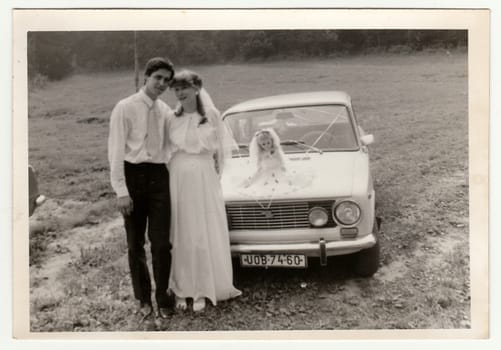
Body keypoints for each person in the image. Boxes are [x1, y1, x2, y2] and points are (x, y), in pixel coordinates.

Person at [166, 69, 241, 312]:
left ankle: (203, 288)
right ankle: (182, 288)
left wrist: (217, 177)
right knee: (181, 231)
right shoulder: (171, 118)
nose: (179, 93)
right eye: (176, 89)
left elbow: (221, 151)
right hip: (178, 176)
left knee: (202, 230)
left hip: (203, 175)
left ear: (197, 88)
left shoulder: (212, 115)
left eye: (183, 88)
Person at [108, 57, 175, 319]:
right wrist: (121, 190)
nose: (161, 84)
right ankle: (143, 299)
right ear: (146, 77)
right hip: (133, 176)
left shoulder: (165, 110)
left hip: (159, 177)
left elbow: (172, 145)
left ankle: (164, 297)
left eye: (166, 81)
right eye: (157, 77)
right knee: (135, 244)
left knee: (161, 244)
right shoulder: (125, 107)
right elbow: (115, 151)